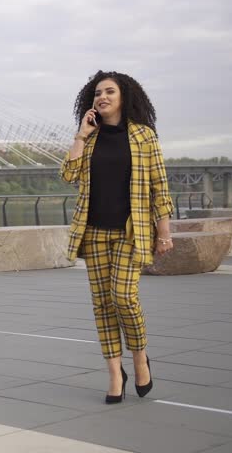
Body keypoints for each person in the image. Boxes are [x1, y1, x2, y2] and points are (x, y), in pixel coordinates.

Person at [60, 70, 174, 404]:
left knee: (123, 296)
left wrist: (164, 233)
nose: (102, 97)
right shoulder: (89, 138)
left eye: (109, 91)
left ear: (124, 96)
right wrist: (80, 136)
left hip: (131, 231)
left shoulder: (143, 136)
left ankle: (139, 356)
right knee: (103, 305)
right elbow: (68, 176)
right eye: (97, 93)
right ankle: (114, 373)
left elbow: (159, 187)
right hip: (92, 232)